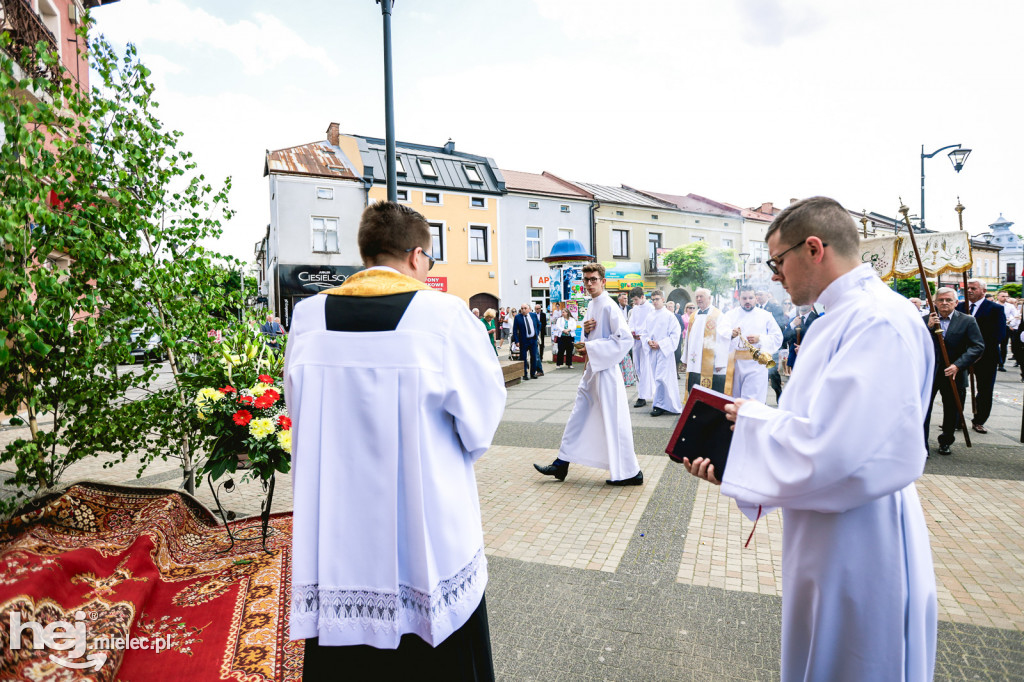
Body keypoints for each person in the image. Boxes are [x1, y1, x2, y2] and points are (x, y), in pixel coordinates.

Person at [683, 196, 937, 682]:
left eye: (778, 262)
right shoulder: (839, 317)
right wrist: (735, 461)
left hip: (863, 536)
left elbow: (837, 447)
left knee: (855, 659)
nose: (775, 275)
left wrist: (752, 422)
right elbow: (812, 426)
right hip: (827, 523)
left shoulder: (876, 320)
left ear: (814, 248)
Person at [286, 200, 506, 679]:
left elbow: (299, 413)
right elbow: (480, 424)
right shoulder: (445, 318)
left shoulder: (307, 318)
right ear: (416, 257)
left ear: (365, 254)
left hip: (338, 538)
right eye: (429, 261)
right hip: (424, 533)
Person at [534, 263, 643, 486]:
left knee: (614, 421)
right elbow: (595, 335)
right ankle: (561, 463)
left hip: (606, 372)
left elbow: (625, 339)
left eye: (593, 279)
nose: (589, 284)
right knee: (579, 415)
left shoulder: (610, 306)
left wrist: (591, 348)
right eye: (586, 280)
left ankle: (631, 472)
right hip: (592, 370)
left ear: (603, 281)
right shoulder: (593, 305)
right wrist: (585, 333)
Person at [923, 287, 983, 456]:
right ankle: (922, 445)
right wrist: (927, 329)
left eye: (948, 300)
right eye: (940, 300)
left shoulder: (967, 320)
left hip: (954, 372)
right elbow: (916, 345)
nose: (944, 303)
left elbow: (977, 346)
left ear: (956, 303)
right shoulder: (924, 320)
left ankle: (946, 441)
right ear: (934, 302)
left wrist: (958, 365)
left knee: (952, 409)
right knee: (924, 409)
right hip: (930, 373)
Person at [957, 278, 1006, 433]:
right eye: (968, 288)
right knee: (958, 388)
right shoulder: (959, 306)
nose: (969, 290)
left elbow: (999, 335)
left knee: (984, 390)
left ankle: (979, 420)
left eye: (973, 288)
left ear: (984, 291)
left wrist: (978, 353)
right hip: (962, 355)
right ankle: (957, 420)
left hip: (986, 356)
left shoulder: (995, 309)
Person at [721, 285, 783, 401]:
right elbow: (720, 333)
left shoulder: (765, 316)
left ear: (756, 298)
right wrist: (731, 334)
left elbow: (777, 337)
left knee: (752, 401)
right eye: (744, 298)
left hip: (757, 365)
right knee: (736, 400)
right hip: (736, 365)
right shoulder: (730, 315)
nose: (747, 301)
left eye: (750, 298)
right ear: (739, 299)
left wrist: (760, 338)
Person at [681, 288, 730, 393]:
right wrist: (685, 358)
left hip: (711, 364)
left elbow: (723, 339)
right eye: (697, 297)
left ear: (709, 298)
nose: (698, 299)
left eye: (701, 296)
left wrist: (720, 362)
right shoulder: (693, 316)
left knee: (712, 395)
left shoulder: (718, 315)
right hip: (695, 362)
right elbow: (688, 339)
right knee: (695, 392)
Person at [642, 290, 682, 416]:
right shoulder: (650, 315)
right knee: (657, 378)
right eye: (652, 299)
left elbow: (675, 334)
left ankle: (659, 405)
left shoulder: (669, 316)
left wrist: (661, 344)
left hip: (665, 352)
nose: (654, 302)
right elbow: (645, 333)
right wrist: (649, 341)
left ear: (663, 299)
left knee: (661, 378)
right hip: (654, 351)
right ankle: (666, 404)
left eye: (657, 299)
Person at [627, 288, 654, 407]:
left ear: (643, 297)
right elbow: (631, 323)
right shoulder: (635, 309)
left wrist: (643, 335)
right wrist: (632, 331)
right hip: (637, 342)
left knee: (646, 369)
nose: (635, 302)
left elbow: (652, 325)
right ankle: (641, 394)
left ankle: (645, 395)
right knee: (637, 368)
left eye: (636, 299)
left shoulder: (651, 308)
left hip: (645, 343)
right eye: (633, 300)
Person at [512, 303, 542, 379]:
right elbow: (515, 330)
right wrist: (517, 341)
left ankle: (533, 373)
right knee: (523, 358)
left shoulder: (533, 315)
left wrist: (537, 333)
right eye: (522, 308)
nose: (523, 310)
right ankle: (524, 374)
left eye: (525, 308)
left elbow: (539, 324)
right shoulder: (518, 317)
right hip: (523, 340)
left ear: (529, 309)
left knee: (534, 357)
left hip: (533, 340)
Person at [997, 290, 1014, 371]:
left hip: (1005, 326)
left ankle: (1001, 364)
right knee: (993, 345)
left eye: (1006, 296)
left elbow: (1015, 315)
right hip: (994, 327)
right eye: (1003, 296)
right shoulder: (994, 305)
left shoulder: (1010, 306)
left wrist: (1010, 322)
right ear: (998, 296)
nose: (1005, 298)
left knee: (1004, 346)